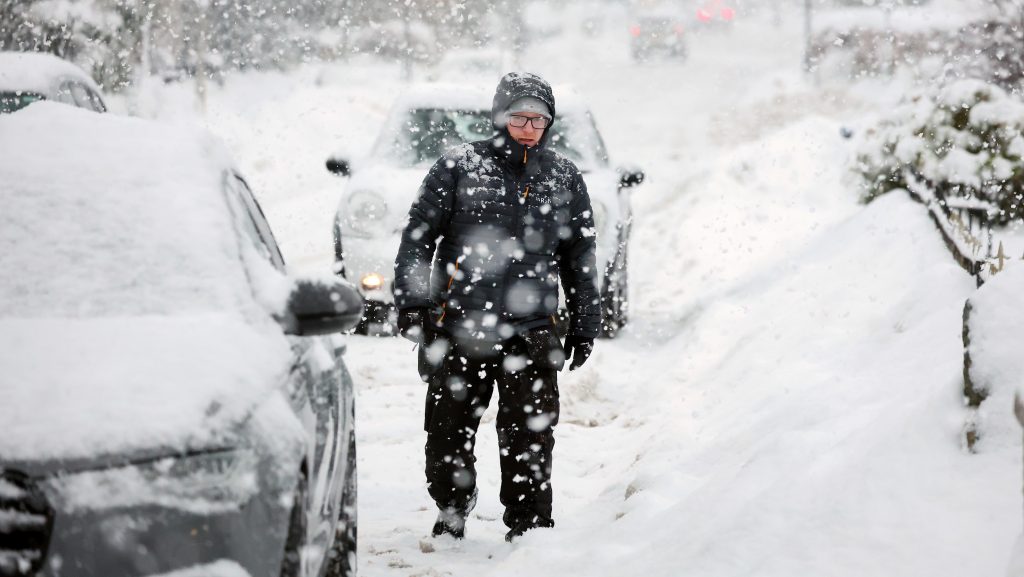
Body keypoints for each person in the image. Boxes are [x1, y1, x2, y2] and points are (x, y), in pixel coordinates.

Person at [393, 72, 600, 542]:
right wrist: (413, 303)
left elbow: (580, 257)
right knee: (447, 432)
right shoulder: (459, 167)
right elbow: (417, 239)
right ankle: (452, 505)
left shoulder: (563, 177)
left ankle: (529, 526)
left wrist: (586, 323)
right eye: (519, 117)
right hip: (459, 326)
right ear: (500, 116)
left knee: (530, 435)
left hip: (532, 330)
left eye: (539, 119)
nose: (529, 128)